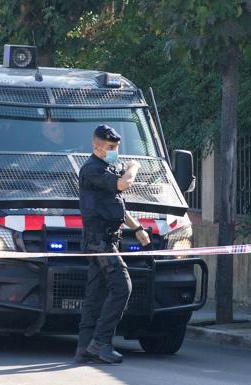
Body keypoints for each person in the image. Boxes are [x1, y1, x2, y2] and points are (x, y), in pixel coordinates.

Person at [74, 124, 151, 364]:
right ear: (96, 146)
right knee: (122, 287)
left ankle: (84, 348)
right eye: (110, 147)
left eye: (116, 147)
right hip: (99, 242)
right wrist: (135, 167)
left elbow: (116, 203)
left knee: (95, 295)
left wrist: (137, 228)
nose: (115, 151)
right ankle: (101, 342)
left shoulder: (107, 166)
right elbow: (122, 185)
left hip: (107, 239)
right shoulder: (91, 170)